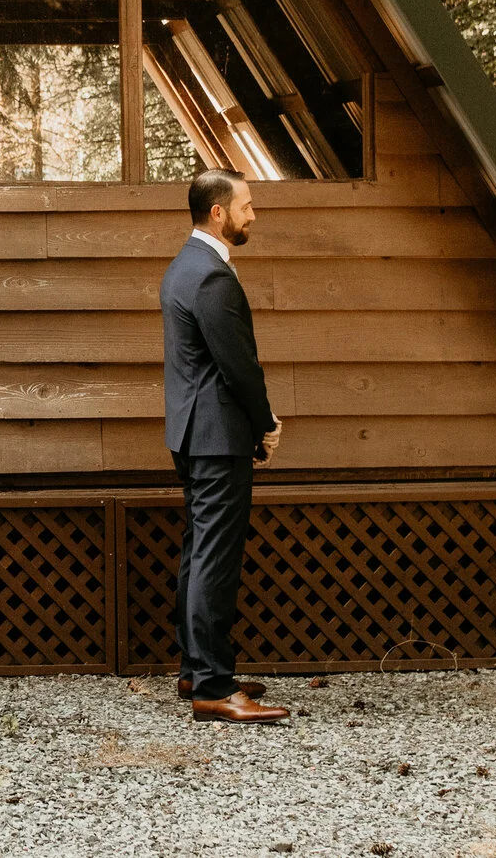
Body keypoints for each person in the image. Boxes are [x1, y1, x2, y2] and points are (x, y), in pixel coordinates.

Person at [162, 168, 291, 724]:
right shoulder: (211, 276)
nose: (252, 214)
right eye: (246, 205)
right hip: (216, 435)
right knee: (214, 560)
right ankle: (213, 687)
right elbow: (239, 365)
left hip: (194, 432)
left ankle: (197, 669)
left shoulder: (181, 267)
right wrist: (265, 423)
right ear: (218, 212)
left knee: (199, 552)